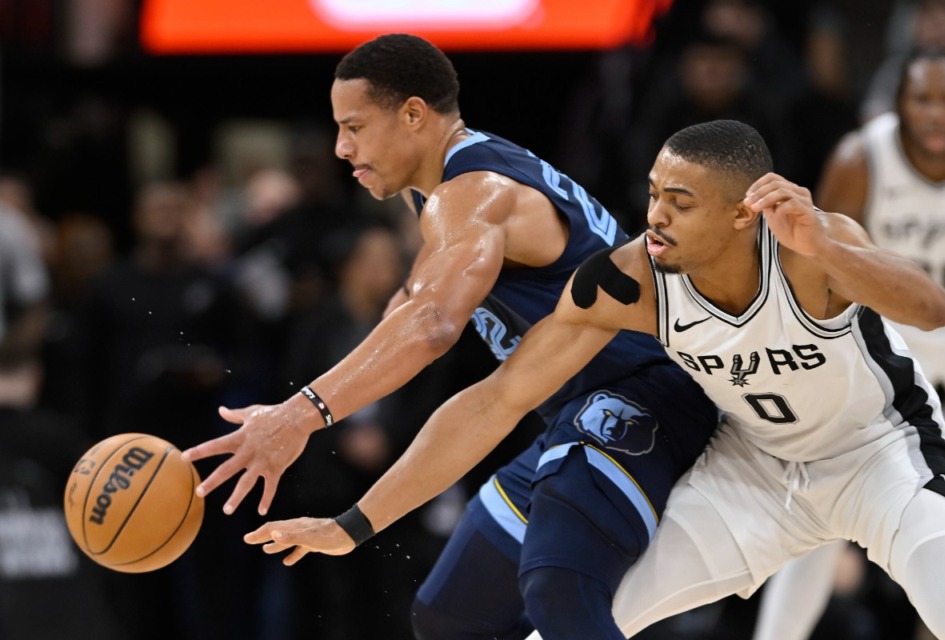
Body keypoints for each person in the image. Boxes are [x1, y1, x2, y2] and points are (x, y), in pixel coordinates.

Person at [243, 119, 945, 640]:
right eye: (653, 193)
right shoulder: (628, 282)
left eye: (681, 200)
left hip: (878, 458)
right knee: (565, 625)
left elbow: (932, 308)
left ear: (743, 212)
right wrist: (355, 523)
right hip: (755, 469)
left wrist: (827, 245)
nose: (655, 215)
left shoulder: (805, 249)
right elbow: (500, 399)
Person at [184, 34, 718, 640]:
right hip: (571, 409)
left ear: (414, 114)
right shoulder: (440, 189)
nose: (341, 147)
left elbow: (433, 326)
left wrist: (297, 416)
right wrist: (352, 525)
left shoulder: (472, 193)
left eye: (354, 126)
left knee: (559, 590)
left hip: (650, 394)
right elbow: (420, 311)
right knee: (451, 615)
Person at [751, 47, 945, 640]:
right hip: (885, 339)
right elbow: (813, 267)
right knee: (827, 494)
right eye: (924, 98)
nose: (937, 114)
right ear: (900, 105)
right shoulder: (861, 159)